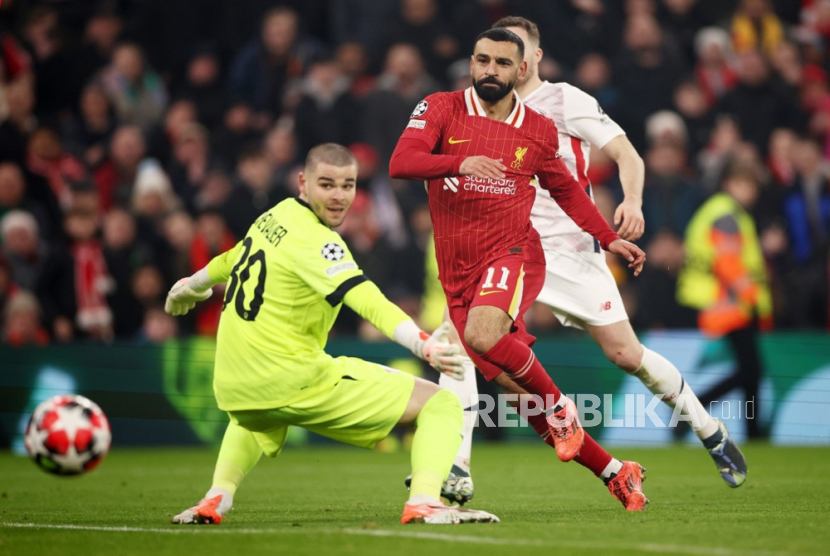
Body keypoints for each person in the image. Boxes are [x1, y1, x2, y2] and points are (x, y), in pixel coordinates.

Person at [165, 143, 498, 525]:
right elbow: (367, 300)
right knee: (441, 404)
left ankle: (216, 496)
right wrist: (423, 345)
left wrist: (191, 284)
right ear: (304, 183)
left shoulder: (274, 216)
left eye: (348, 185)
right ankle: (424, 500)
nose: (339, 196)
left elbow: (233, 257)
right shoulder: (321, 242)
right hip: (293, 378)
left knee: (255, 419)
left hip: (235, 385)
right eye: (327, 185)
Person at [389, 28, 649, 511]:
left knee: (486, 338)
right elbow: (402, 161)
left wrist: (608, 237)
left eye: (502, 63)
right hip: (458, 268)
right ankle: (616, 472)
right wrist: (461, 162)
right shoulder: (441, 108)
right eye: (483, 60)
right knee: (514, 388)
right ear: (471, 61)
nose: (491, 70)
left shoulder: (538, 128)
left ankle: (561, 411)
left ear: (521, 69)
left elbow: (568, 190)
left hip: (513, 253)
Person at [677, 164, 772, 440]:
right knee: (750, 370)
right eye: (745, 184)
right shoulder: (727, 215)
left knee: (749, 371)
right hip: (727, 301)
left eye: (753, 186)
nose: (751, 192)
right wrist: (753, 298)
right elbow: (729, 262)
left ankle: (750, 429)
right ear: (730, 184)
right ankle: (694, 413)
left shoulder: (720, 211)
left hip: (721, 299)